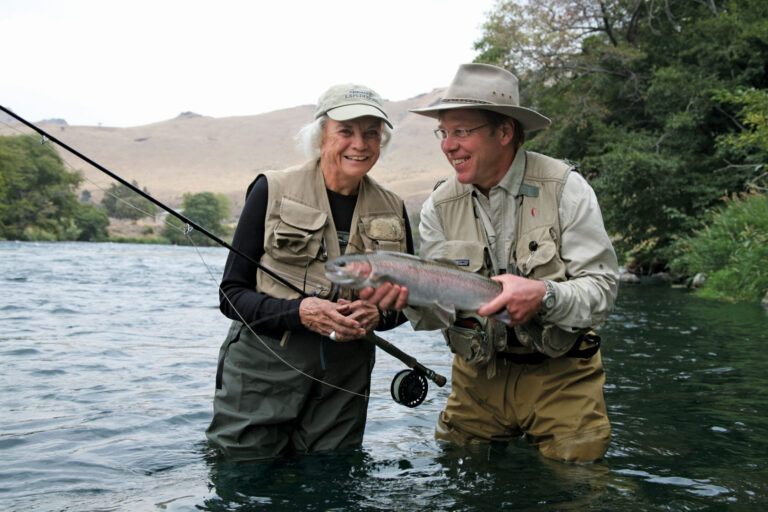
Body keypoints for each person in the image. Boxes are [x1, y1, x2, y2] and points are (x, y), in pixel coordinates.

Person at [361, 63, 619, 463]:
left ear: (505, 132)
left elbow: (602, 293)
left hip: (563, 377)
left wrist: (544, 296)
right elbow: (435, 317)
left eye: (461, 131)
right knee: (459, 478)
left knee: (578, 488)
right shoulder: (438, 208)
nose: (448, 146)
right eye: (443, 133)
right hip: (475, 379)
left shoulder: (566, 188)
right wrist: (405, 299)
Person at [206, 83, 414, 460]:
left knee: (329, 485)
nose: (360, 144)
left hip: (344, 385)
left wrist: (378, 315)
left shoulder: (394, 208)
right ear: (321, 137)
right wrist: (299, 313)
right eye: (346, 131)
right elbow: (231, 294)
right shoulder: (271, 189)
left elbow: (405, 302)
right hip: (262, 375)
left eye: (371, 133)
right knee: (243, 477)